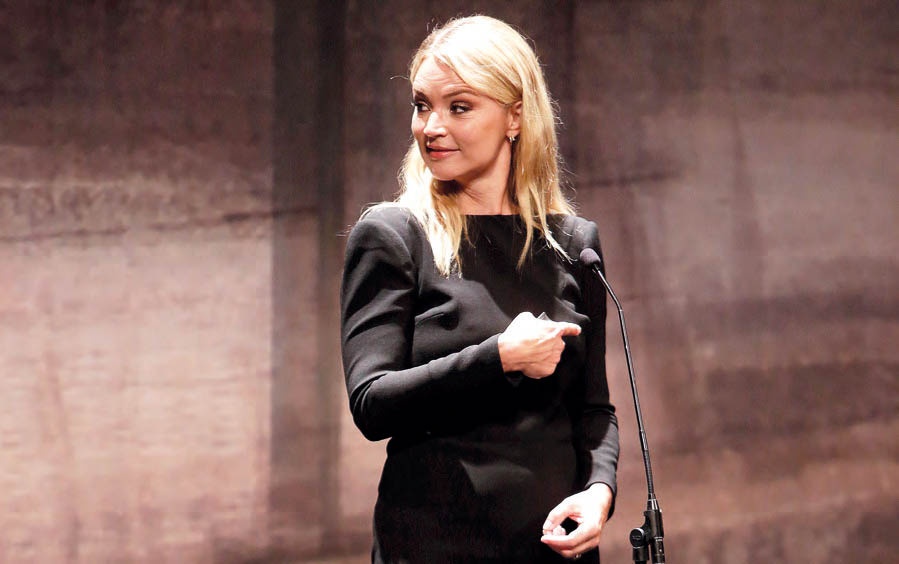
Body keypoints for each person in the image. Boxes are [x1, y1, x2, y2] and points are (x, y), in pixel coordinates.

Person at [340, 15, 619, 563]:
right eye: (422, 105)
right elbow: (372, 402)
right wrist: (498, 359)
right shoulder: (394, 236)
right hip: (434, 546)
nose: (431, 126)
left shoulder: (573, 244)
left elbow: (594, 410)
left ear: (515, 116)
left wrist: (599, 493)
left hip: (553, 551)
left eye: (459, 107)